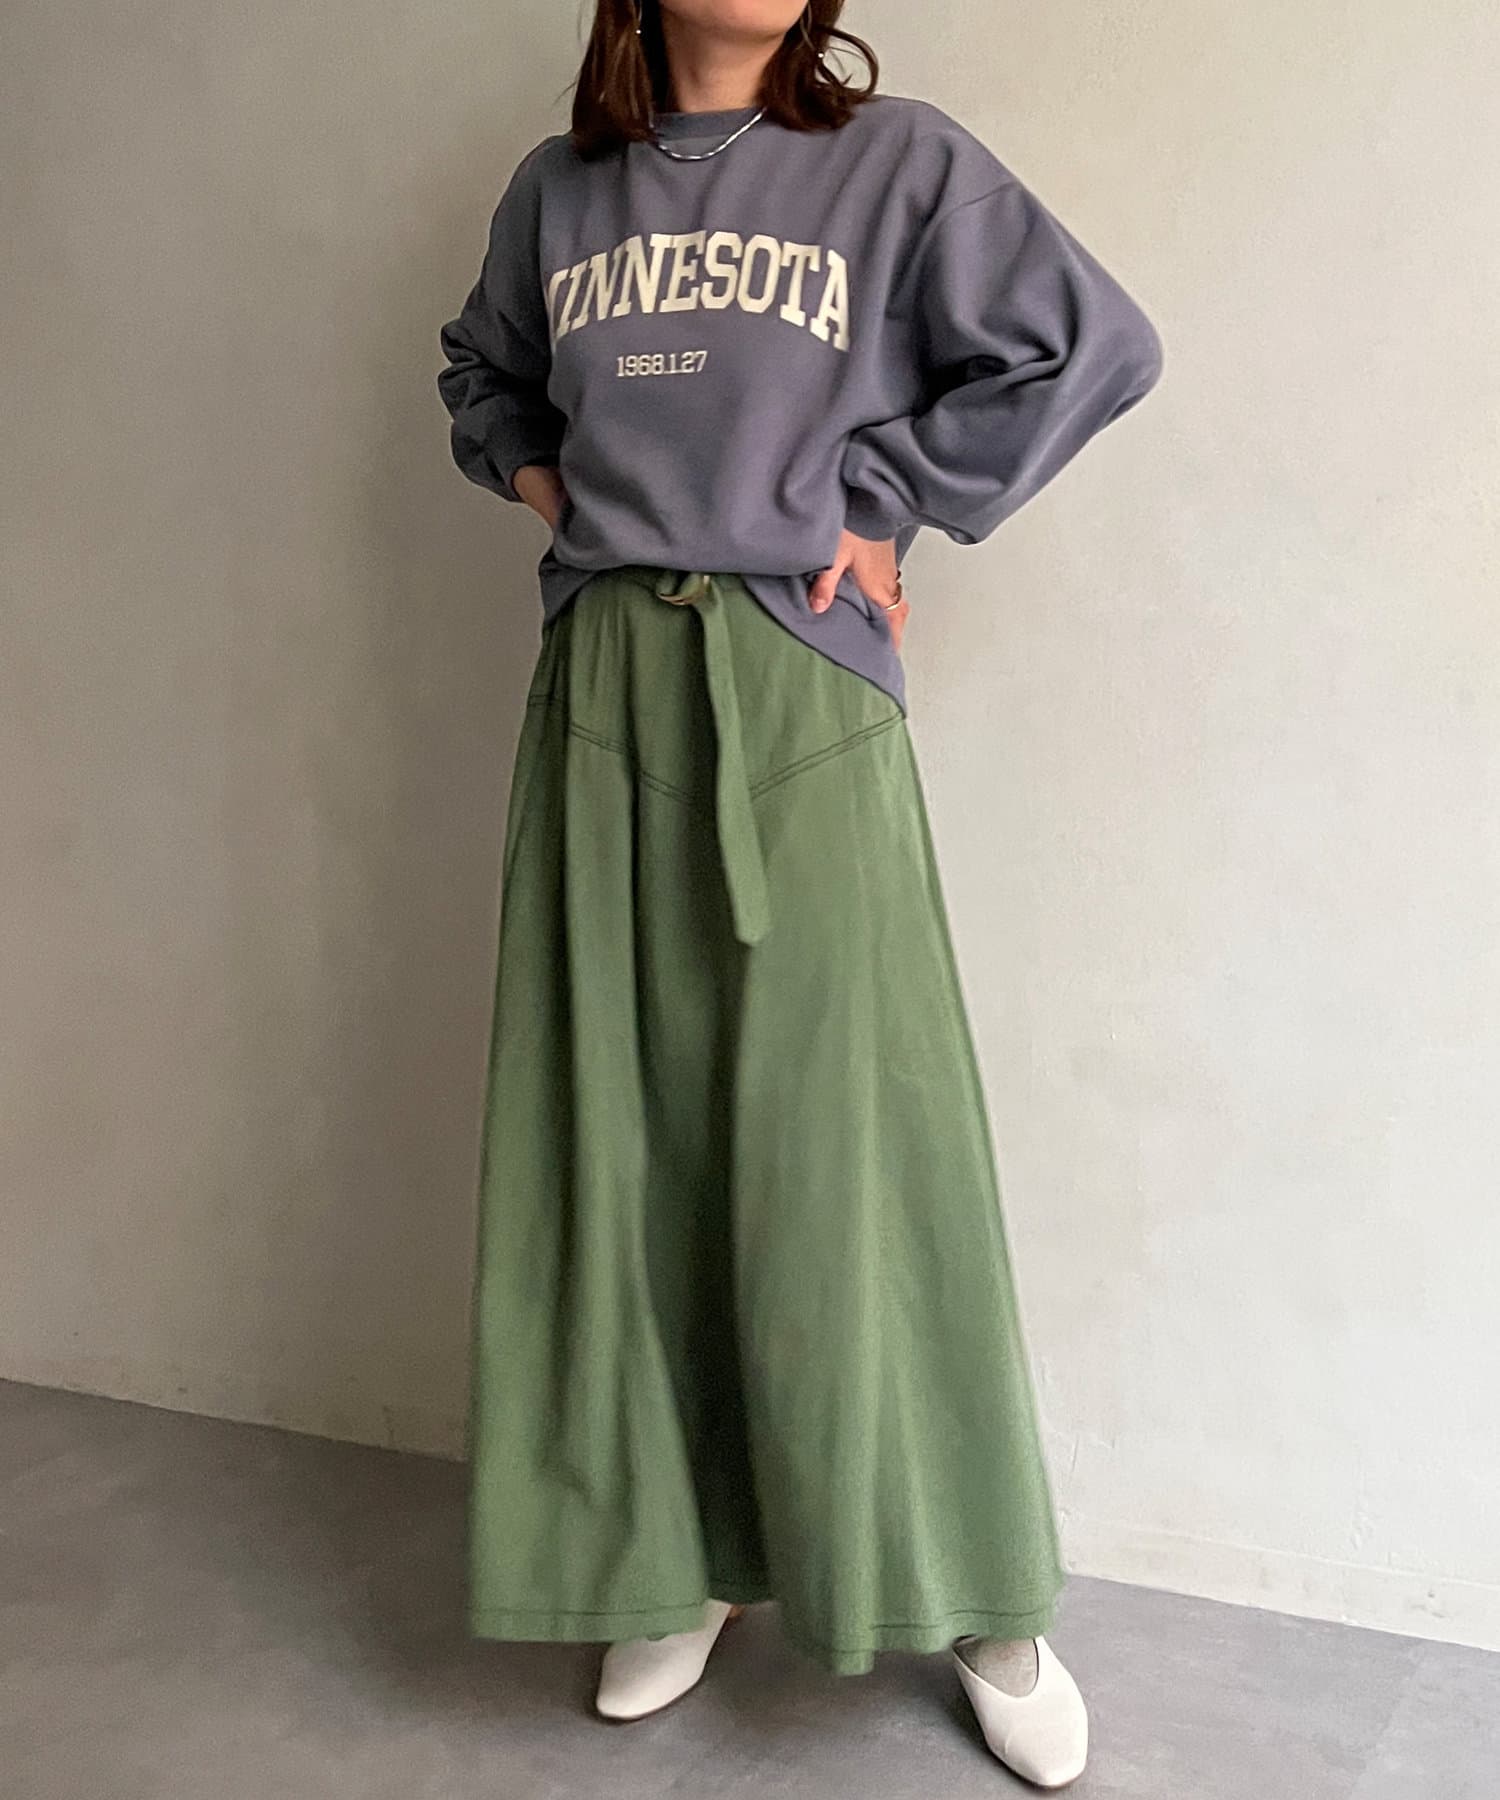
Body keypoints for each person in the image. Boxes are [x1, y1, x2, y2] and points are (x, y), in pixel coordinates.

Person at [437, 1, 1162, 1786]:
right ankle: (672, 1558)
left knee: (860, 1140)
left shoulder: (898, 164)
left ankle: (982, 1597)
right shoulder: (560, 192)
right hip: (606, 678)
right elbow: (483, 377)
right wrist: (556, 489)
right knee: (628, 1137)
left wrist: (885, 502)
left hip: (797, 674)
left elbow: (1089, 346)